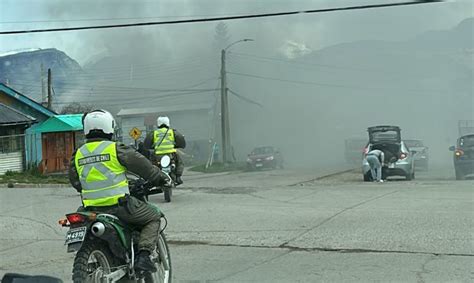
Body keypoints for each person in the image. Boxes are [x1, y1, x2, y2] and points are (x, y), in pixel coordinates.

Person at [68, 109, 169, 272]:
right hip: (119, 207)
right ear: (110, 127)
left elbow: (76, 182)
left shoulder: (78, 154)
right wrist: (161, 178)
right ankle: (143, 256)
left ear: (86, 128)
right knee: (154, 216)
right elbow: (144, 167)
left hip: (90, 210)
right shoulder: (116, 149)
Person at [142, 116, 186, 185]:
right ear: (168, 123)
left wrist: (151, 147)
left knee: (151, 165)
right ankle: (178, 177)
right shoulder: (172, 132)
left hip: (157, 155)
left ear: (158, 124)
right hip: (171, 154)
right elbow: (181, 141)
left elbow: (146, 144)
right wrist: (180, 146)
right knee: (180, 162)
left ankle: (151, 179)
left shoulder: (154, 133)